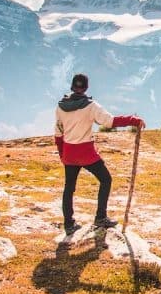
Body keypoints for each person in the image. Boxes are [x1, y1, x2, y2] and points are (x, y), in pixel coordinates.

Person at [54, 73, 145, 235]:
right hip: (86, 153)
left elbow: (58, 134)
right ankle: (100, 217)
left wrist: (63, 155)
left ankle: (68, 224)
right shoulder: (91, 106)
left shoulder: (61, 106)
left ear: (72, 86)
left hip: (69, 153)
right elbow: (109, 121)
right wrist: (133, 119)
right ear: (86, 87)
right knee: (105, 179)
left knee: (69, 188)